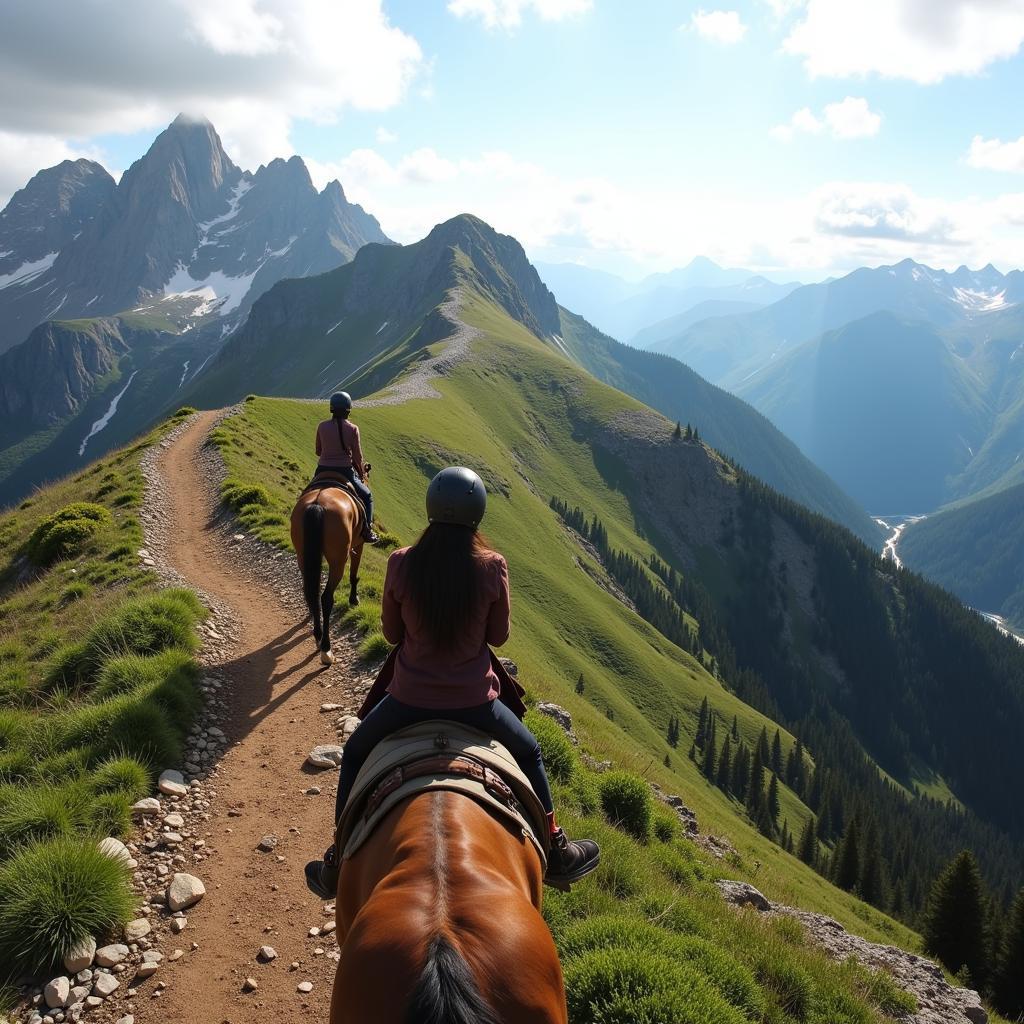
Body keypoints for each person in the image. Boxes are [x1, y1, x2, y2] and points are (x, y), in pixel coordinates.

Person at [305, 466, 600, 897]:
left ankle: (335, 859)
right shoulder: (491, 566)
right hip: (476, 704)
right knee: (531, 751)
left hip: (407, 700)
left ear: (430, 509)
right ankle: (555, 849)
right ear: (477, 514)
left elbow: (391, 634)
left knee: (353, 753)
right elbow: (498, 636)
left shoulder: (402, 561)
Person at [315, 391, 377, 543]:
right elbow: (357, 457)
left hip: (322, 469)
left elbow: (318, 451)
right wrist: (362, 472)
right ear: (348, 410)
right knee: (367, 497)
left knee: (308, 491)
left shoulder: (322, 426)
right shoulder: (353, 429)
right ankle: (367, 529)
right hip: (345, 471)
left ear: (331, 409)